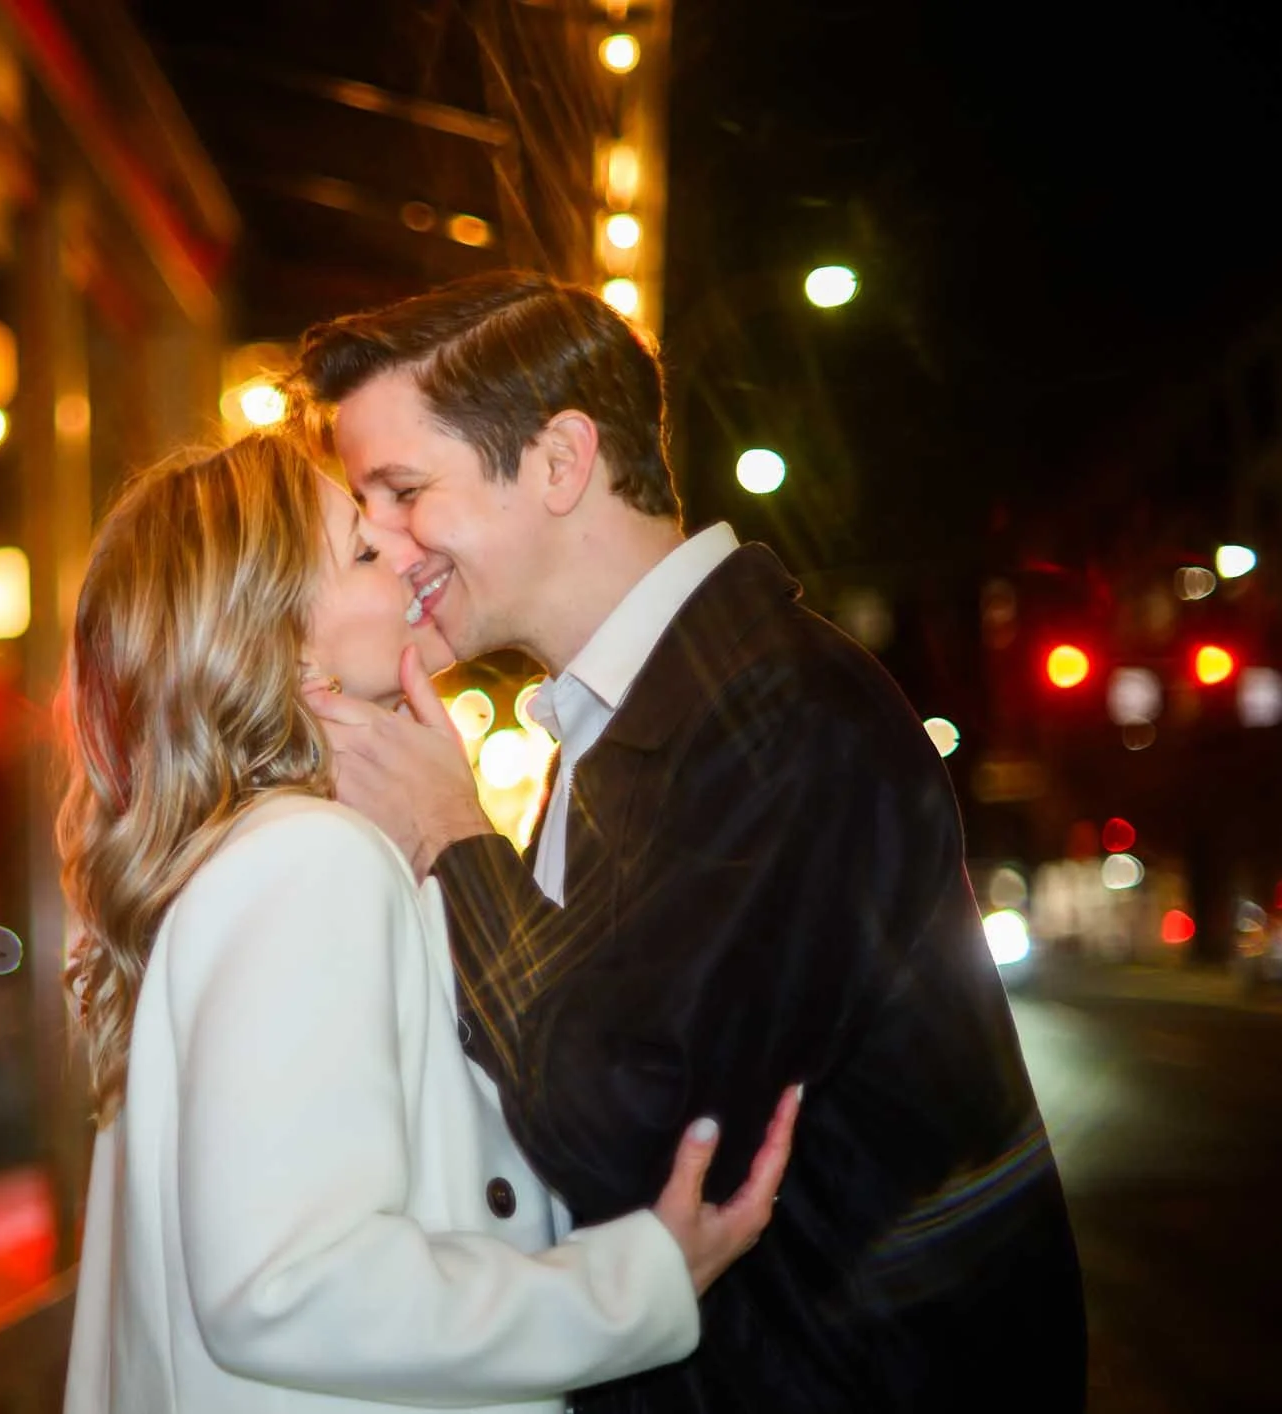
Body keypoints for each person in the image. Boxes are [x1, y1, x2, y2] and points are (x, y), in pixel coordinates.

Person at [298, 269, 1088, 1411]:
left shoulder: (784, 712)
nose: (385, 541)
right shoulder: (628, 716)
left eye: (402, 489)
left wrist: (450, 837)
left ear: (561, 461)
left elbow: (640, 1123)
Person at [58, 435, 799, 1414]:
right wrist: (634, 1284)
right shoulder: (309, 861)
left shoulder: (244, 860)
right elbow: (288, 1286)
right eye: (364, 553)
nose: (408, 555)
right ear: (275, 639)